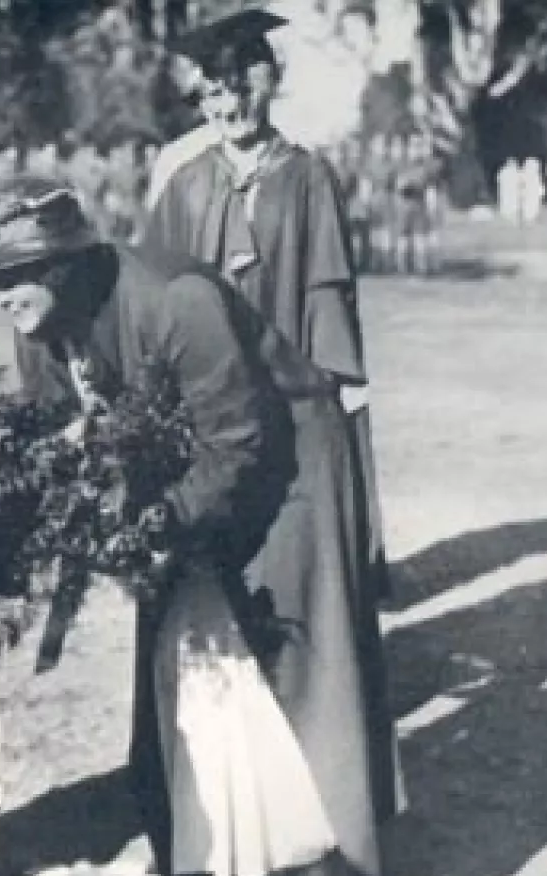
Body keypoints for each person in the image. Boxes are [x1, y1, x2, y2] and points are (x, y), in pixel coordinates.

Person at [0, 177, 393, 876]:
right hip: (187, 477)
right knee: (196, 674)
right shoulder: (39, 324)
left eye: (9, 279)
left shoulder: (176, 298)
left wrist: (155, 527)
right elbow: (64, 434)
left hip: (289, 465)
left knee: (292, 668)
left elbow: (239, 438)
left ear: (61, 265)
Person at [145, 7, 395, 603]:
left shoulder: (308, 177)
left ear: (267, 87)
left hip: (290, 384)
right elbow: (157, 291)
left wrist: (335, 384)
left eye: (239, 92)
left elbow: (326, 287)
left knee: (296, 538)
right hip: (207, 390)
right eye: (212, 96)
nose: (227, 109)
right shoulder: (185, 182)